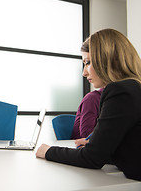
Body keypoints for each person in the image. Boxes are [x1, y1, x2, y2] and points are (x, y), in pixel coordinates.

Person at [36, 28, 141, 181]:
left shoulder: (120, 91)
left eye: (88, 63)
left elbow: (92, 159)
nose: (84, 72)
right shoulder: (134, 87)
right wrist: (100, 147)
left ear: (108, 59)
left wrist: (48, 151)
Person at [71, 38, 104, 140]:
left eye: (88, 63)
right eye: (86, 63)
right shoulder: (92, 99)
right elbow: (87, 138)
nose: (84, 73)